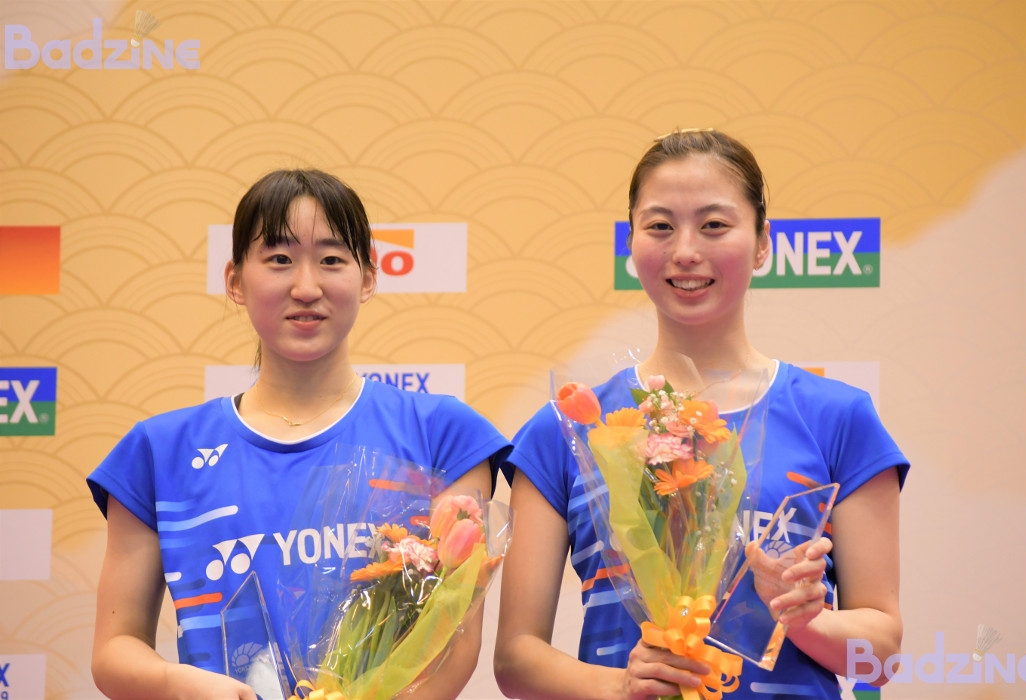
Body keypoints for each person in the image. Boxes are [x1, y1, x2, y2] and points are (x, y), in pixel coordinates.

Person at [493, 129, 908, 699]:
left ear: (762, 242)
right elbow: (516, 659)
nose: (686, 251)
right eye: (660, 226)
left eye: (714, 224)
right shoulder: (569, 426)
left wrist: (803, 618)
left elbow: (880, 657)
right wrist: (621, 687)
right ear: (631, 242)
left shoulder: (838, 418)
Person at [88, 169, 510, 700]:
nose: (306, 287)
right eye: (279, 259)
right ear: (235, 281)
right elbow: (115, 647)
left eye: (331, 260)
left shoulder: (444, 435)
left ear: (368, 278)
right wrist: (179, 683)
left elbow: (454, 640)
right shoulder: (158, 453)